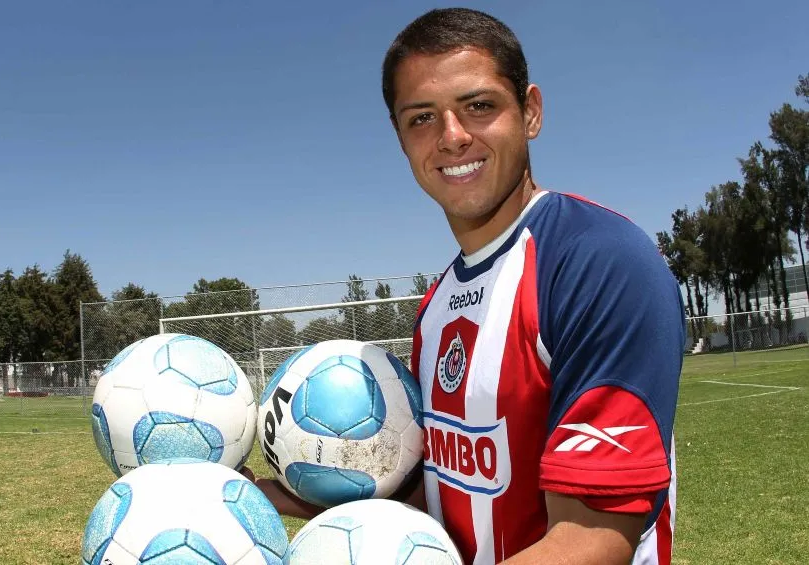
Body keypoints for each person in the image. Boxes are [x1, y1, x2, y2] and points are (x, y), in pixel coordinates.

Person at [246, 7, 685, 564]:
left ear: (530, 112)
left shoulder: (599, 263)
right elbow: (449, 494)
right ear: (401, 139)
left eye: (479, 106)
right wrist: (302, 500)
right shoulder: (437, 306)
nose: (452, 137)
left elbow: (593, 542)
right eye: (422, 118)